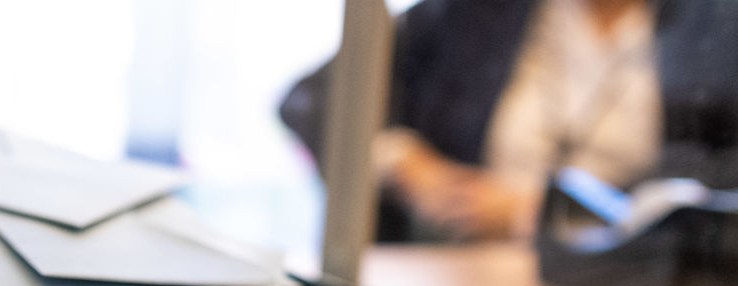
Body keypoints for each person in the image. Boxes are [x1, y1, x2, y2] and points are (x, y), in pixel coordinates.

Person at [280, 0, 738, 242]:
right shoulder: (480, 12)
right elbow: (314, 99)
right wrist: (406, 163)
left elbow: (716, 179)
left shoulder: (713, 25)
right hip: (456, 276)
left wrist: (538, 212)